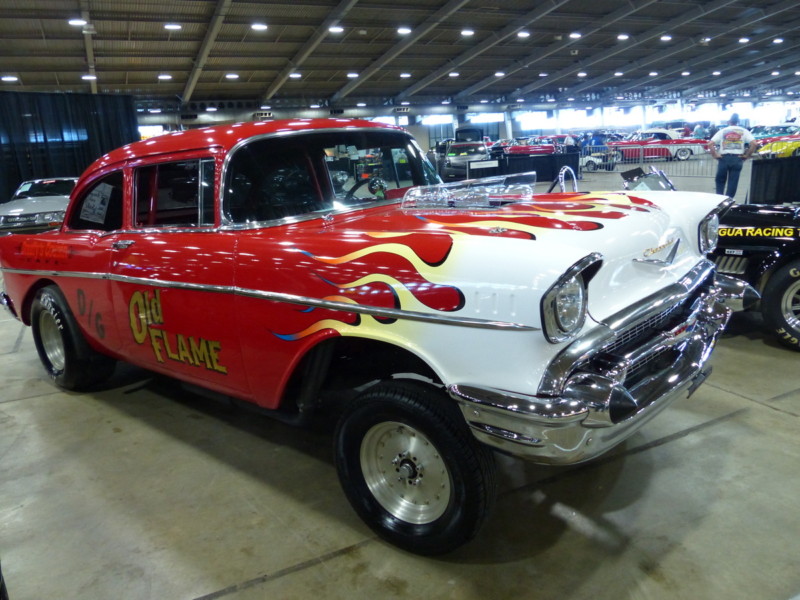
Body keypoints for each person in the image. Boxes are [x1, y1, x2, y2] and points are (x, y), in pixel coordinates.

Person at [708, 113, 755, 198]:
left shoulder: (723, 131)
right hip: (737, 158)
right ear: (738, 121)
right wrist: (746, 155)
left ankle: (719, 199)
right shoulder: (744, 131)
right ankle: (729, 200)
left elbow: (710, 143)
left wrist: (715, 154)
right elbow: (754, 144)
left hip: (724, 158)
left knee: (720, 180)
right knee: (733, 181)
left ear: (729, 121)